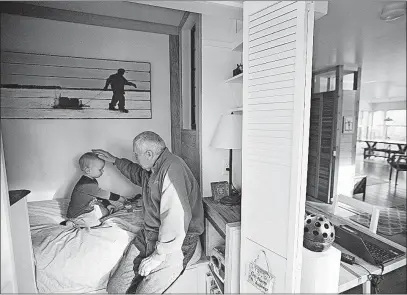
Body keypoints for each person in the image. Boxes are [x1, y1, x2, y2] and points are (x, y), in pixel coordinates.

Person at [92, 131, 204, 294]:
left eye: (137, 155)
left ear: (149, 154)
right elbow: (137, 174)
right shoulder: (152, 167)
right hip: (150, 234)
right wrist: (115, 161)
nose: (136, 158)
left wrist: (158, 256)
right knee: (115, 289)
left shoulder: (173, 169)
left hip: (177, 243)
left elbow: (174, 218)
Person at [61, 152, 126, 228]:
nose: (103, 171)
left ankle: (80, 220)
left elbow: (98, 195)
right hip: (77, 214)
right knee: (96, 223)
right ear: (88, 170)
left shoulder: (91, 180)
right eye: (100, 169)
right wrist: (120, 199)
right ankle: (73, 223)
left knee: (105, 211)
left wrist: (107, 204)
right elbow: (105, 194)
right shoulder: (86, 184)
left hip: (87, 209)